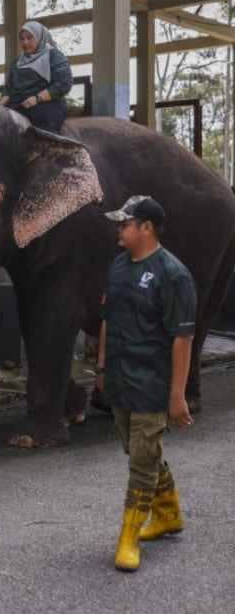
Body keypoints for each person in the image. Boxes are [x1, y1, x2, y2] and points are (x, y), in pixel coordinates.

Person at [96, 195, 196, 572]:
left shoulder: (174, 274)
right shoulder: (118, 267)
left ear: (147, 228)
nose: (119, 228)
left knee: (141, 458)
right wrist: (102, 369)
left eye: (126, 223)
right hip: (120, 377)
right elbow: (108, 319)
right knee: (139, 450)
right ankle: (168, 514)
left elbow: (182, 338)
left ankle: (128, 537)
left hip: (152, 382)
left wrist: (177, 394)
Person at [0, 20, 73, 134]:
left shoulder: (54, 56)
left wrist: (37, 98)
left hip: (45, 106)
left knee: (38, 132)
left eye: (29, 38)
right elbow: (9, 88)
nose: (25, 42)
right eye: (22, 39)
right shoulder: (18, 62)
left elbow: (63, 84)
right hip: (19, 105)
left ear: (40, 38)